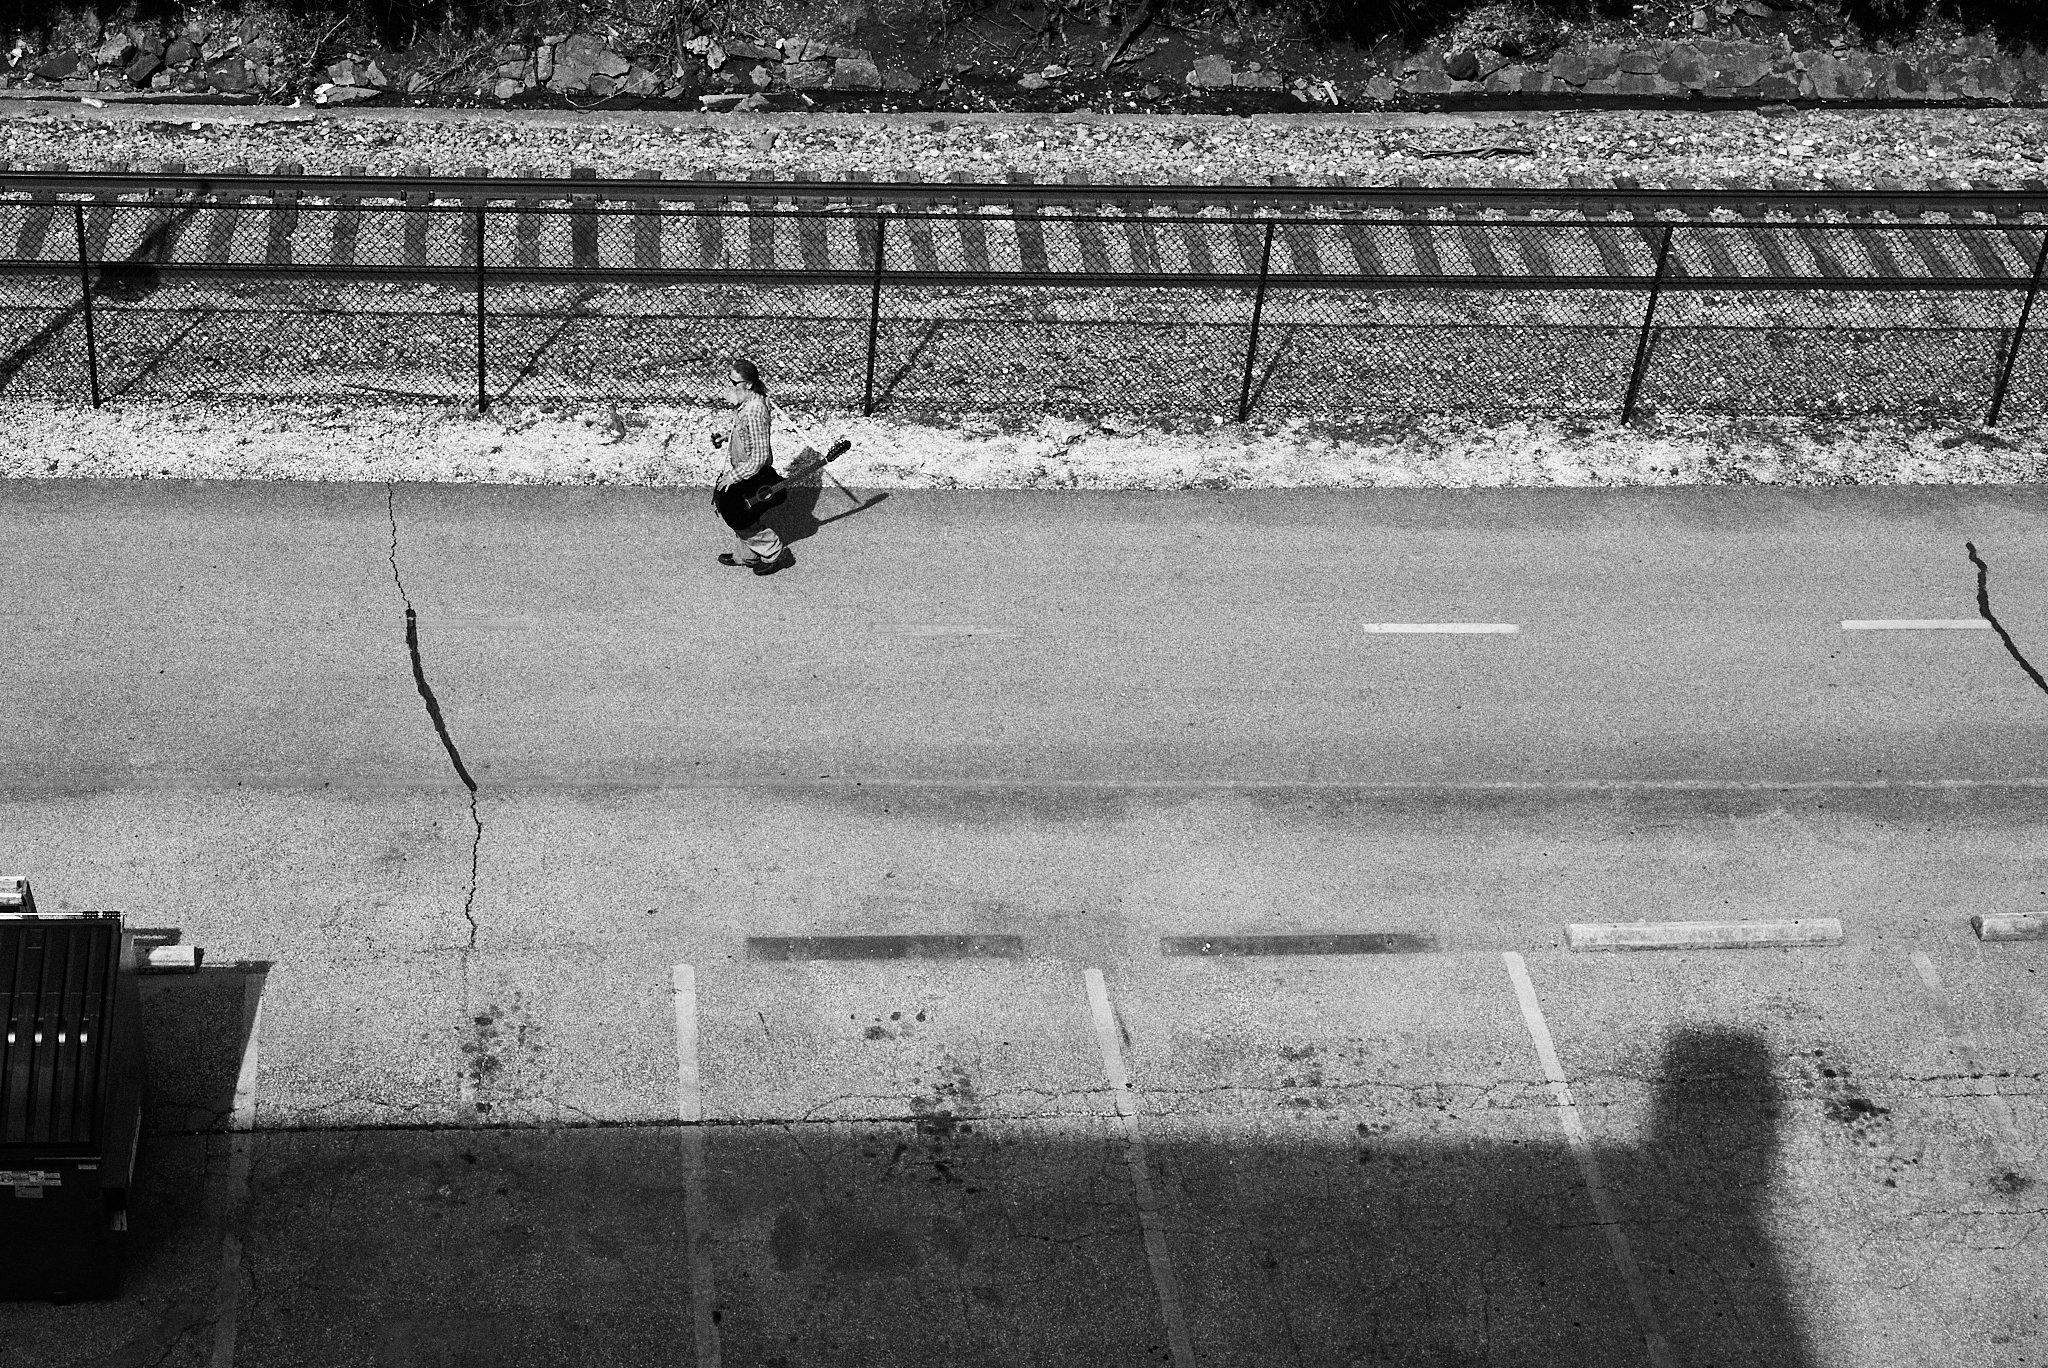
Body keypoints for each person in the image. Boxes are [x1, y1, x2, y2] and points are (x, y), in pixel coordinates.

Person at [710, 357, 793, 577]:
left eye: (734, 382)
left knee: (736, 514)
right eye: (729, 380)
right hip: (743, 468)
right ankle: (746, 556)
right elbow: (744, 433)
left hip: (752, 473)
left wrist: (733, 477)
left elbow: (759, 457)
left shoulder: (755, 410)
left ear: (747, 384)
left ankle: (774, 552)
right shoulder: (745, 403)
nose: (729, 386)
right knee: (740, 512)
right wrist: (726, 437)